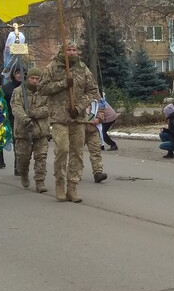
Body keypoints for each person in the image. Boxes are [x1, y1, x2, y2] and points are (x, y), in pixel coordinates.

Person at [38, 40, 98, 202]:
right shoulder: (52, 67)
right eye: (68, 50)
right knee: (63, 149)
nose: (72, 52)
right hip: (59, 118)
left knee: (77, 153)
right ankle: (59, 183)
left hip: (77, 118)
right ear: (62, 52)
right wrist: (64, 84)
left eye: (74, 50)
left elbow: (92, 90)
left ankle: (72, 186)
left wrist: (79, 107)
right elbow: (42, 89)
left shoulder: (82, 68)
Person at [10, 67, 50, 193]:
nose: (34, 81)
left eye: (37, 79)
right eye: (32, 78)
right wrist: (25, 119)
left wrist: (33, 113)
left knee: (41, 157)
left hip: (41, 130)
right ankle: (23, 173)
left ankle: (40, 181)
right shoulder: (18, 92)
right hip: (23, 131)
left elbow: (49, 108)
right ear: (28, 79)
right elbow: (16, 108)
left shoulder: (45, 92)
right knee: (23, 158)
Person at [2, 62, 24, 175]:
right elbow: (2, 104)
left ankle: (23, 165)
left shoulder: (26, 87)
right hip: (12, 118)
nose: (20, 75)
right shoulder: (7, 88)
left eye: (22, 73)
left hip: (26, 117)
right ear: (14, 74)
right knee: (18, 142)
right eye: (17, 73)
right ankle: (18, 166)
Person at [84, 96, 108, 183]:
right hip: (79, 129)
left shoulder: (95, 93)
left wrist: (98, 118)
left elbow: (101, 107)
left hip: (93, 129)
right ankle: (74, 173)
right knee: (76, 153)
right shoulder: (76, 91)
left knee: (96, 151)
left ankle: (98, 173)